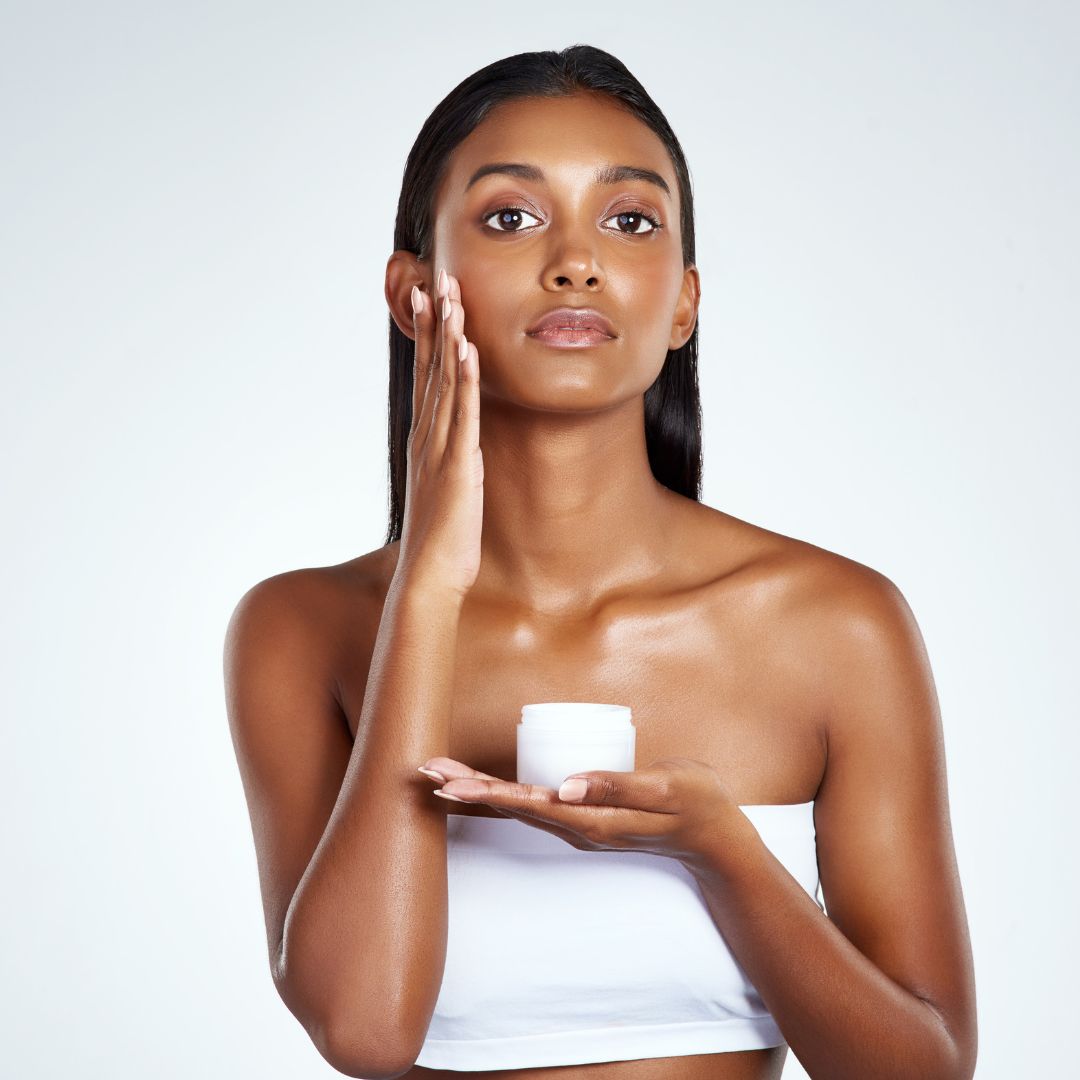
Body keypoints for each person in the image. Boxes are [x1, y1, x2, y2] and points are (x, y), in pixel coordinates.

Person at [223, 45, 977, 1080]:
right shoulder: (301, 626)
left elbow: (924, 1067)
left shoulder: (834, 624)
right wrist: (429, 590)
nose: (575, 260)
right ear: (412, 294)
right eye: (510, 217)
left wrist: (722, 851)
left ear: (682, 303)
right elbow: (364, 1031)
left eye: (629, 221)